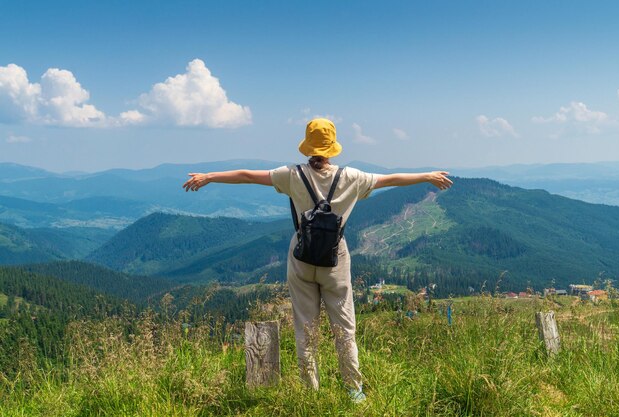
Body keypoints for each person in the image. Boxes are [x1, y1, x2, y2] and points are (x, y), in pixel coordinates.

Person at [182, 118, 452, 402]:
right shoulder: (353, 178)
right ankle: (353, 390)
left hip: (301, 258)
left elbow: (248, 175)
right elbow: (392, 179)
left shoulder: (292, 175)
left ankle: (310, 389)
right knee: (344, 328)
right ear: (333, 148)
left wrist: (209, 176)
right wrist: (427, 175)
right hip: (336, 260)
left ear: (307, 147)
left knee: (305, 328)